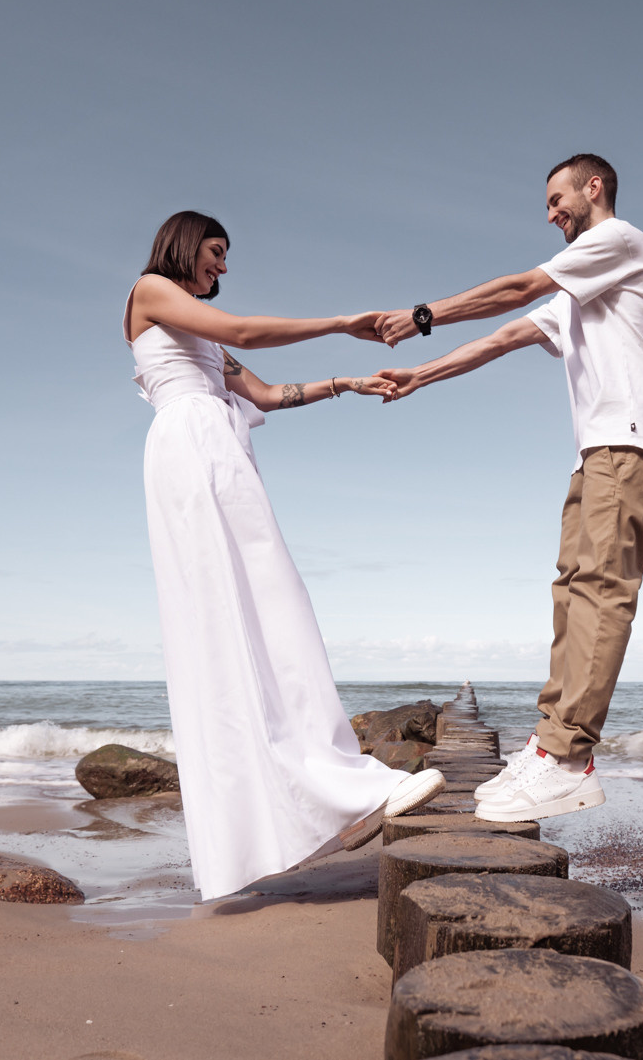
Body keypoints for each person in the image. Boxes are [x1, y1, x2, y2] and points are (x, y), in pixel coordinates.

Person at [125, 210, 443, 900]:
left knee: (275, 610)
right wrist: (340, 322)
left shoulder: (200, 337)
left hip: (223, 454)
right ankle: (269, 822)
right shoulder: (150, 291)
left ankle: (326, 790)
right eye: (216, 252)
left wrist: (345, 382)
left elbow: (267, 393)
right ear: (184, 244)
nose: (223, 267)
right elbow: (240, 330)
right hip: (190, 455)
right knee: (221, 627)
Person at [373, 154, 643, 823]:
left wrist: (423, 313)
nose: (550, 213)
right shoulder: (579, 291)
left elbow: (513, 289)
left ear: (594, 188)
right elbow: (506, 333)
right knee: (572, 587)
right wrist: (422, 373)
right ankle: (548, 748)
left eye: (557, 197)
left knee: (600, 587)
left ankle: (568, 756)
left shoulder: (620, 242)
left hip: (629, 435)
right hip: (598, 445)